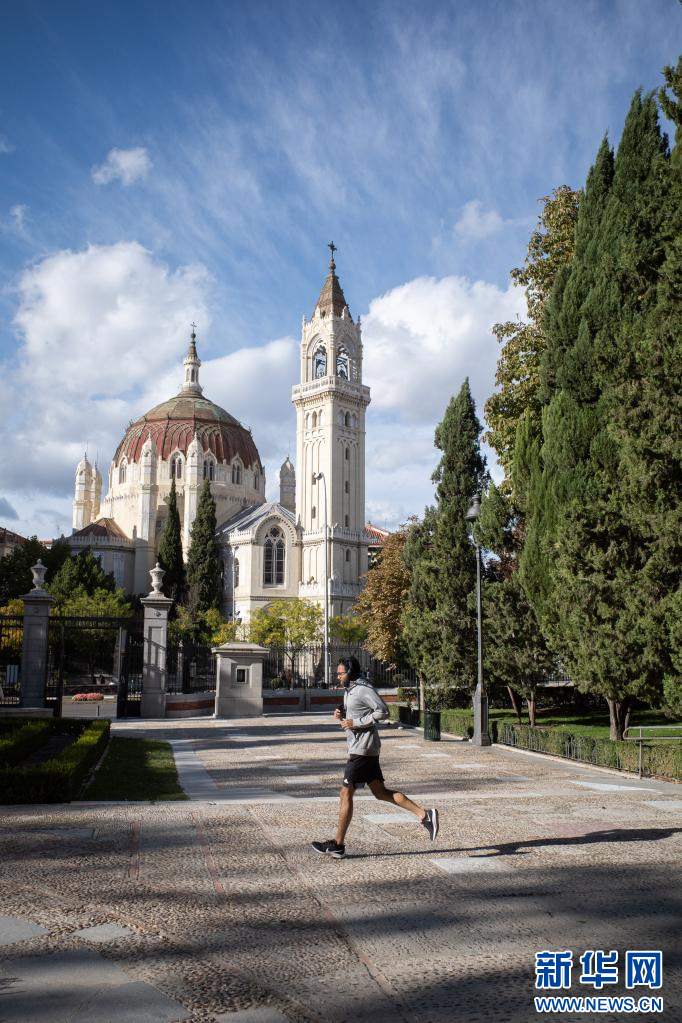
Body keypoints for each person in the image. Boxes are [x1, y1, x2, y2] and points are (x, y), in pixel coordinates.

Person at [312, 656, 439, 859]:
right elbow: (354, 713)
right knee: (380, 792)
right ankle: (425, 815)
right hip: (362, 748)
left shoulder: (363, 688)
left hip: (362, 750)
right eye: (337, 673)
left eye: (340, 673)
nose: (337, 676)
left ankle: (338, 844)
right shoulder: (350, 690)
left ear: (350, 673)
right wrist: (342, 715)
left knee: (346, 793)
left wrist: (356, 722)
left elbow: (383, 712)